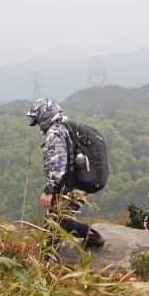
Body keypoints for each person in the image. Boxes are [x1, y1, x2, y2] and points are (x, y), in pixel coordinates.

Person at [26, 97, 105, 251]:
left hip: (69, 188)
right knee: (55, 222)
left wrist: (49, 191)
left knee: (55, 224)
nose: (37, 124)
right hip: (76, 184)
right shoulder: (65, 128)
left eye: (38, 120)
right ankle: (92, 237)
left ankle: (92, 237)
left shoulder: (55, 133)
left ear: (44, 115)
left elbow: (58, 165)